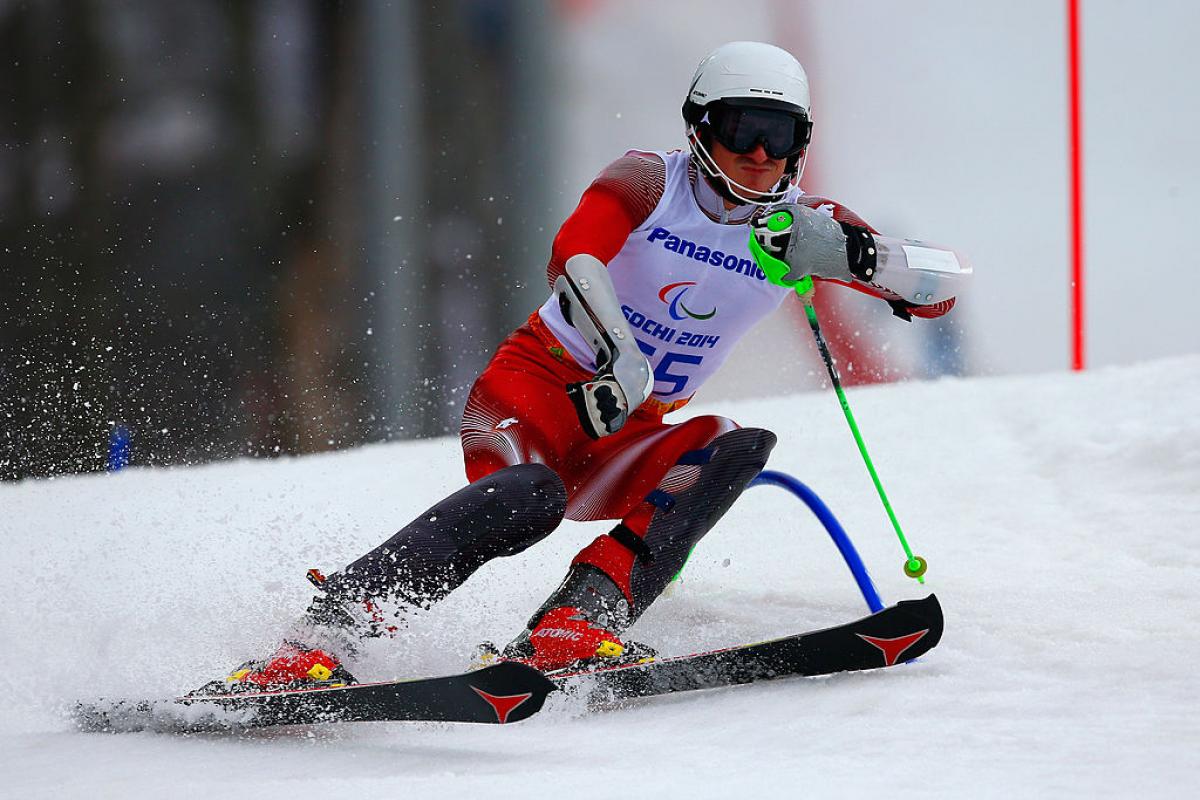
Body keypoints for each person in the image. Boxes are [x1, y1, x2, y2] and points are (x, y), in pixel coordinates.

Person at [213, 41, 962, 692]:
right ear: (701, 126)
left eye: (781, 134)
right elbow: (572, 254)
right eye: (742, 128)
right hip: (533, 392)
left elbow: (944, 289)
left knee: (736, 444)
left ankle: (579, 620)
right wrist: (620, 355)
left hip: (625, 430)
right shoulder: (650, 181)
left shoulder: (801, 224)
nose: (761, 153)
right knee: (531, 496)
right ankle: (319, 639)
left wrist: (859, 256)